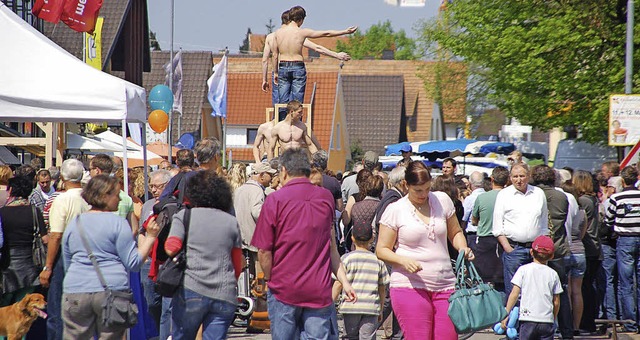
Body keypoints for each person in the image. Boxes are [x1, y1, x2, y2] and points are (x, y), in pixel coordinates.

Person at [251, 148, 356, 340]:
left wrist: (268, 279)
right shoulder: (325, 198)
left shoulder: (274, 200)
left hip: (284, 287)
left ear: (283, 170)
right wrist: (345, 282)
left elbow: (264, 250)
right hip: (318, 288)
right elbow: (332, 246)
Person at [376, 161, 473, 340]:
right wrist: (403, 260)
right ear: (406, 185)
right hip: (409, 285)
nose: (424, 194)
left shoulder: (442, 200)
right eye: (418, 190)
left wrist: (463, 248)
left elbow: (455, 232)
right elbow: (382, 250)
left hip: (446, 285)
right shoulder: (395, 209)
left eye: (427, 189)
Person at [61, 174, 160, 339]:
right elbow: (134, 263)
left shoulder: (75, 223)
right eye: (116, 194)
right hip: (111, 291)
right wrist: (150, 238)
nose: (120, 199)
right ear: (104, 195)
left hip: (76, 290)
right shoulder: (117, 223)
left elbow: (67, 262)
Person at [164, 170, 243, 339]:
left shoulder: (184, 216)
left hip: (191, 288)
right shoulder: (231, 221)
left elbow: (171, 247)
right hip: (224, 292)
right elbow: (237, 265)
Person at [262, 9, 351, 110]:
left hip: (283, 66)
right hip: (297, 66)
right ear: (300, 19)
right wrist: (344, 32)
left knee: (282, 102)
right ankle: (296, 124)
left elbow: (274, 55)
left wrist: (276, 72)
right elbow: (325, 34)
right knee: (297, 103)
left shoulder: (277, 34)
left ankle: (283, 122)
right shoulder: (301, 33)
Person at [39, 158, 88, 340]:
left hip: (64, 257)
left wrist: (48, 267)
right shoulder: (89, 198)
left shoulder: (62, 200)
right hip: (87, 256)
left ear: (61, 177)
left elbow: (56, 235)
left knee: (57, 310)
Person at [492, 163, 549, 299]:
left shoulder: (538, 193)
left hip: (535, 251)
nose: (519, 180)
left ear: (528, 177)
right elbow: (497, 226)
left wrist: (541, 248)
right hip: (514, 250)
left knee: (535, 292)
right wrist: (507, 247)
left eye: (522, 176)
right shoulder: (504, 195)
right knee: (514, 294)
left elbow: (544, 224)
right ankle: (513, 320)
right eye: (515, 176)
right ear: (510, 178)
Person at [531, 165, 573, 338]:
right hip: (557, 248)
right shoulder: (561, 196)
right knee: (560, 291)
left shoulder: (533, 195)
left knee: (534, 291)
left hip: (537, 247)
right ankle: (567, 330)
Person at [332, 223, 389, 340]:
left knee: (349, 336)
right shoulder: (378, 261)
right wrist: (381, 308)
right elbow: (382, 288)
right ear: (372, 239)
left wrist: (330, 303)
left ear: (352, 238)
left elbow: (338, 283)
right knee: (368, 337)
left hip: (350, 306)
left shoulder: (346, 259)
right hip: (371, 307)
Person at [502, 235, 562, 340]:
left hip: (527, 319)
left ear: (531, 252)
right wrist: (553, 317)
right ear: (552, 256)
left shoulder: (523, 270)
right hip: (546, 321)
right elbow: (556, 301)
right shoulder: (553, 274)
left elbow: (514, 294)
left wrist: (506, 313)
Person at [0, 176, 47, 306]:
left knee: (5, 304)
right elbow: (44, 238)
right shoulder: (34, 211)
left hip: (7, 262)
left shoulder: (2, 212)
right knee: (23, 304)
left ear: (11, 191)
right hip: (30, 262)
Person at [604, 165, 640, 333]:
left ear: (623, 181)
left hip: (624, 240)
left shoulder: (616, 198)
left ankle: (630, 322)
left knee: (625, 283)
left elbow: (608, 219)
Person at [138, 169, 173, 337]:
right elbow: (141, 232)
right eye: (151, 185)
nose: (153, 189)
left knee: (168, 306)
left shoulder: (173, 205)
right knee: (151, 303)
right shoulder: (147, 205)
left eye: (157, 186)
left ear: (167, 186)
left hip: (166, 261)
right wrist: (142, 254)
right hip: (148, 262)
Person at [373, 165, 406, 340]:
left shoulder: (392, 197)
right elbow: (382, 223)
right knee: (389, 298)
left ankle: (397, 334)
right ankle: (369, 326)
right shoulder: (393, 199)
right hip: (389, 253)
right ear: (402, 183)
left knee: (392, 297)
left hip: (389, 253)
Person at [471, 166, 509, 288]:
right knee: (503, 280)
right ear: (507, 181)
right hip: (505, 240)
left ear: (492, 179)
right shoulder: (510, 197)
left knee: (483, 279)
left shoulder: (482, 198)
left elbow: (474, 220)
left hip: (485, 240)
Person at [572, 170, 601, 333]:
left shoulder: (583, 201)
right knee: (588, 287)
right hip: (594, 248)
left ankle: (586, 322)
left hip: (587, 248)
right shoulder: (593, 199)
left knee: (584, 288)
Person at [561, 182, 588, 335]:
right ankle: (576, 326)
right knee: (577, 291)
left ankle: (566, 326)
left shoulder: (562, 208)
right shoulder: (582, 212)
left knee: (566, 291)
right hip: (580, 252)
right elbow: (582, 234)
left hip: (566, 250)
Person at [462, 171, 485, 249]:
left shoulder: (470, 199)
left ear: (470, 183)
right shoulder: (488, 196)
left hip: (473, 236)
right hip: (487, 235)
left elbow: (464, 218)